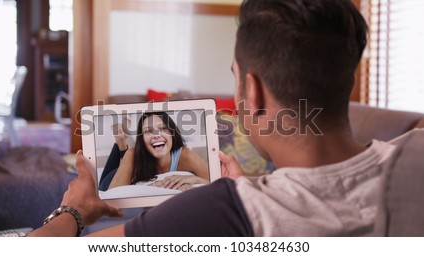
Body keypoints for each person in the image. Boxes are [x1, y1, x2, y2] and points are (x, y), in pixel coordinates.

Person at [28, 0, 418, 237]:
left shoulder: (223, 210)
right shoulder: (412, 158)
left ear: (253, 92)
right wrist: (256, 184)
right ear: (347, 77)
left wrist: (75, 211)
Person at [107, 112, 210, 191]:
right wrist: (159, 184)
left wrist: (196, 179)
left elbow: (216, 182)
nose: (156, 135)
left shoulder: (185, 155)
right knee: (125, 155)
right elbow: (113, 194)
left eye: (163, 128)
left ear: (172, 133)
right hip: (109, 179)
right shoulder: (132, 154)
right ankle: (120, 142)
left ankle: (121, 140)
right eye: (148, 131)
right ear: (142, 139)